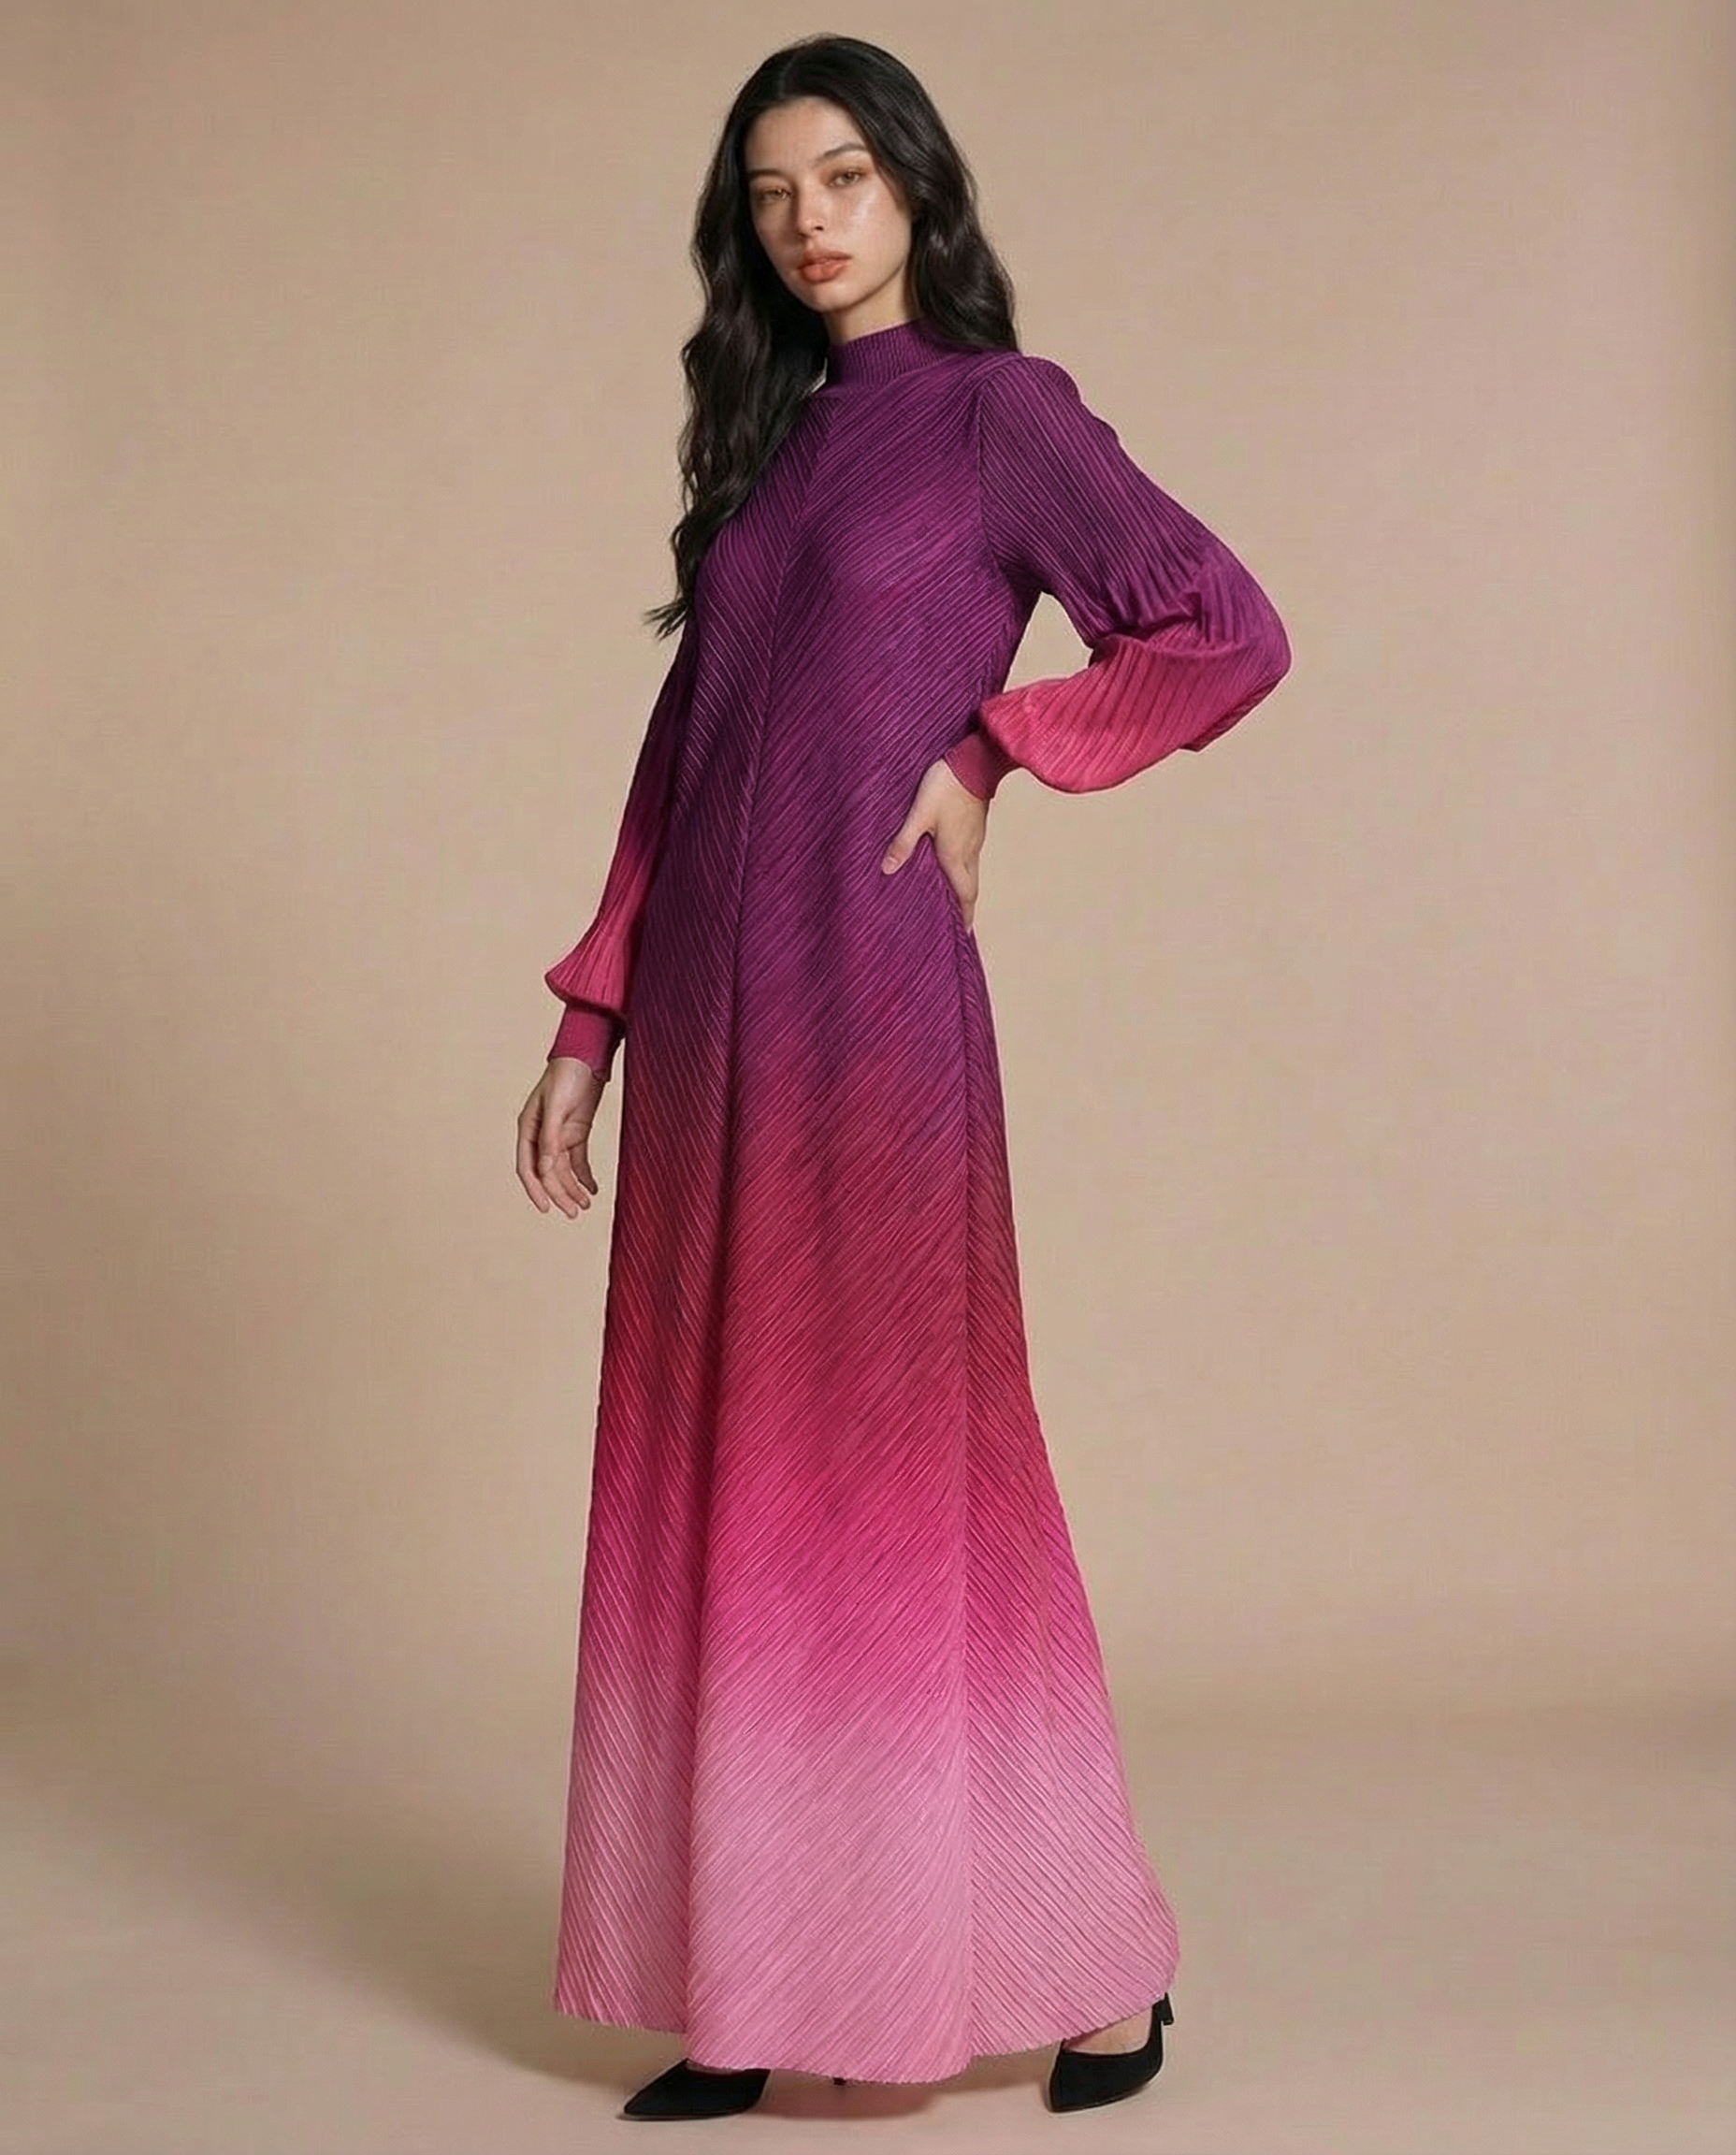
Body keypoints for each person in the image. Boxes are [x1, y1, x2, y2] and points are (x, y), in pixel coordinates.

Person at [515, 32, 1290, 2125]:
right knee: (725, 1486)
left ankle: (1095, 1966)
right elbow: (682, 763)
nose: (810, 220)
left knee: (904, 1485)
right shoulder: (771, 449)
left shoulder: (996, 417)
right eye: (772, 191)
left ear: (916, 187)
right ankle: (753, 1985)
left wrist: (996, 747)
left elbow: (1221, 627)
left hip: (869, 1027)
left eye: (844, 175)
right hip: (709, 1049)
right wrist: (590, 1022)